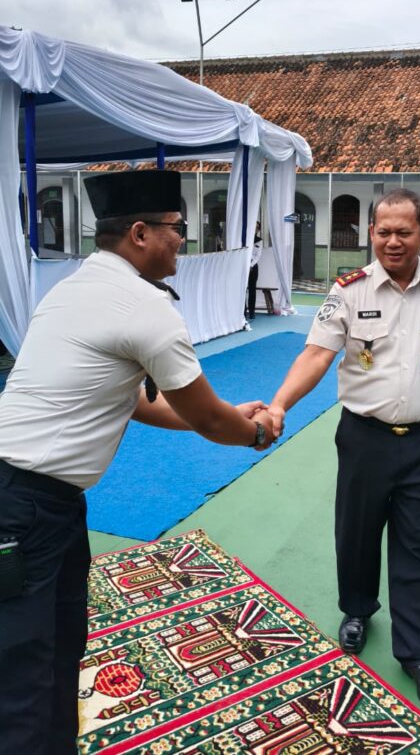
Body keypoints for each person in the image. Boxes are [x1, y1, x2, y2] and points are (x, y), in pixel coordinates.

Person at [0, 170, 276, 755]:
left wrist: (229, 411)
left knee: (58, 648)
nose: (185, 240)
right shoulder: (142, 307)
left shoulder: (77, 287)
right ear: (142, 233)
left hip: (44, 501)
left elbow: (139, 400)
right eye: (178, 228)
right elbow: (204, 419)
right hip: (22, 506)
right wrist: (252, 431)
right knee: (24, 675)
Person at [268, 189, 420, 713]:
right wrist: (278, 404)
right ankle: (358, 609)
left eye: (403, 232)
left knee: (419, 547)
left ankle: (417, 654)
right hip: (364, 437)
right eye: (383, 232)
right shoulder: (348, 290)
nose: (392, 241)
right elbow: (317, 355)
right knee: (357, 533)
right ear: (371, 234)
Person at [246, 222, 263, 320]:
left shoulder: (259, 241)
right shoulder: (244, 238)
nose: (255, 229)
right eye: (253, 227)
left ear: (258, 230)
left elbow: (258, 255)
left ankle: (252, 312)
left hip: (253, 268)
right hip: (243, 267)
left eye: (257, 228)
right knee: (243, 290)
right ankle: (243, 312)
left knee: (252, 290)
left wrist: (251, 265)